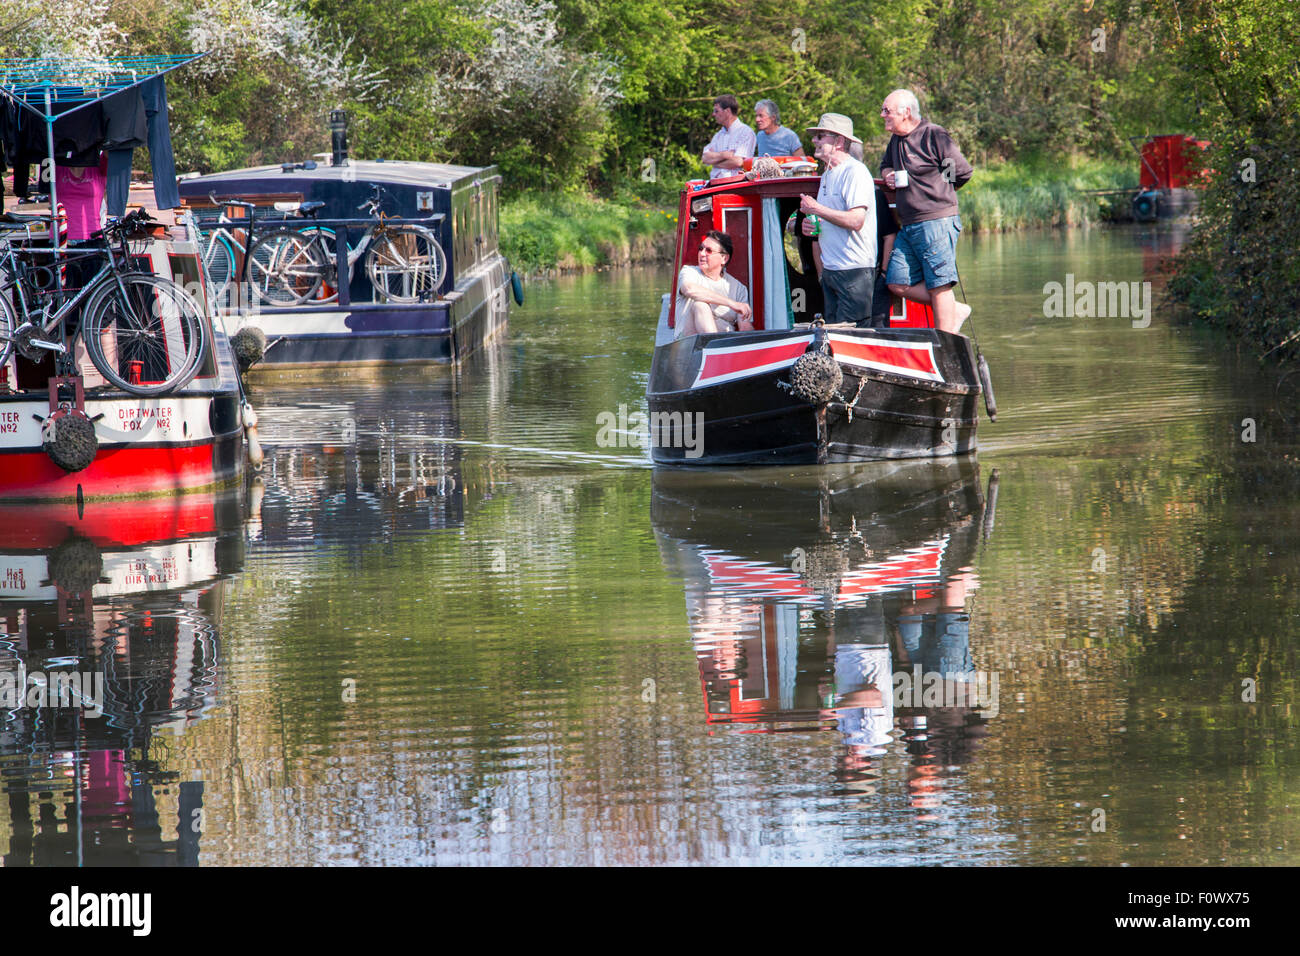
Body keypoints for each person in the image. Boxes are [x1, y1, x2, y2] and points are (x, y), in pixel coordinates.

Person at [879, 89, 974, 334]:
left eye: (886, 110)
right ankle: (955, 309)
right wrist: (888, 174)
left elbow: (962, 172)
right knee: (897, 282)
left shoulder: (934, 135)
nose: (882, 115)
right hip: (909, 224)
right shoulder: (896, 140)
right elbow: (885, 165)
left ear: (906, 112)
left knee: (939, 285)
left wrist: (938, 190)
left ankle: (945, 345)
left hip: (937, 221)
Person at [798, 113, 877, 326]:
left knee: (853, 341)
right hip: (831, 272)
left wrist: (817, 208)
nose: (814, 140)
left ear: (839, 142)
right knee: (834, 338)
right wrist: (811, 227)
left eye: (821, 136)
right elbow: (827, 220)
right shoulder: (826, 175)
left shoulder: (855, 172)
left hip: (854, 272)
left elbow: (856, 220)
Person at [675, 230, 753, 337]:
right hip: (688, 344)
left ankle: (719, 349)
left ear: (724, 258)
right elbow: (689, 289)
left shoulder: (739, 288)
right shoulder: (689, 272)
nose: (702, 254)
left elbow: (744, 326)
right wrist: (731, 303)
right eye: (701, 249)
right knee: (700, 305)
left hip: (726, 344)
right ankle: (715, 347)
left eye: (709, 250)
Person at [701, 95, 756, 179]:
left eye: (716, 111)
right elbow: (705, 158)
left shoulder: (746, 132)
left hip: (735, 185)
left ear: (727, 111)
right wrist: (725, 155)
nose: (713, 114)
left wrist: (715, 163)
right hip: (715, 184)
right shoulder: (718, 135)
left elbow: (738, 162)